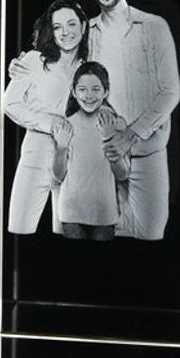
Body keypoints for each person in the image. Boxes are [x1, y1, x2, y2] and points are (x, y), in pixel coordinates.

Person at [85, 0, 180, 240]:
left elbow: (171, 91)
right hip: (102, 157)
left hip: (147, 155)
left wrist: (130, 134)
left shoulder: (154, 26)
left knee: (149, 236)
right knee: (103, 242)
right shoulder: (87, 33)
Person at [5, 0, 89, 234]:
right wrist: (50, 122)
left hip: (75, 159)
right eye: (57, 26)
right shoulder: (34, 60)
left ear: (83, 27)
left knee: (66, 233)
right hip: (37, 152)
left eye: (71, 24)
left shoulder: (89, 66)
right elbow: (10, 104)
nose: (65, 32)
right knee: (20, 228)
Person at [53, 61, 130, 240]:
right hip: (71, 214)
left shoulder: (116, 124)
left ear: (106, 92)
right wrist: (62, 147)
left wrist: (109, 138)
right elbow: (57, 176)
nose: (89, 96)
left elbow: (123, 174)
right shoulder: (65, 125)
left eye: (96, 89)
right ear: (74, 92)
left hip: (104, 215)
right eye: (82, 89)